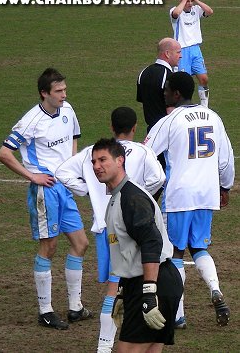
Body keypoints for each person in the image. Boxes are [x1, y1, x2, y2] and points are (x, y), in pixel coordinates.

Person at [55, 106, 166, 352]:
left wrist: (86, 191)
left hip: (105, 229)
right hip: (128, 230)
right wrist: (143, 193)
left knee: (114, 290)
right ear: (135, 128)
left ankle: (104, 346)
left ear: (112, 128)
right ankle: (107, 347)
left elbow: (62, 172)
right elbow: (159, 178)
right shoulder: (143, 151)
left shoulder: (91, 154)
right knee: (120, 291)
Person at [0, 68, 92, 330]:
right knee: (48, 248)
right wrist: (32, 176)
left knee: (81, 243)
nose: (64, 94)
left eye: (64, 90)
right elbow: (4, 153)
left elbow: (73, 138)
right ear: (44, 93)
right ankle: (45, 311)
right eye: (58, 91)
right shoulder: (30, 121)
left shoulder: (68, 110)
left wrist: (72, 169)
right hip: (45, 190)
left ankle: (75, 307)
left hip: (64, 187)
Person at [144, 71, 235, 329]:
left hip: (179, 196)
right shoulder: (213, 117)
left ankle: (177, 315)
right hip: (206, 194)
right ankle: (215, 290)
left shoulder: (170, 120)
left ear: (176, 93)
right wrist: (225, 187)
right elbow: (226, 158)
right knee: (199, 248)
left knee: (174, 253)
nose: (163, 93)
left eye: (167, 90)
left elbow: (146, 153)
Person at [91, 138, 183, 353]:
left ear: (120, 160)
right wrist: (124, 291)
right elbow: (128, 251)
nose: (97, 166)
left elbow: (151, 242)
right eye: (94, 161)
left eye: (103, 160)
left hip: (154, 283)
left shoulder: (131, 199)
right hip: (147, 282)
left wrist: (149, 295)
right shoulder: (117, 197)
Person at [170, 0, 213, 108]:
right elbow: (175, 14)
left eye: (191, 1)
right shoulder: (175, 11)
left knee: (204, 79)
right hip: (182, 51)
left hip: (195, 50)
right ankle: (181, 107)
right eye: (187, 1)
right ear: (181, 0)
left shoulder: (196, 10)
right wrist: (184, 0)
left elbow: (209, 11)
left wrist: (197, 0)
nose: (189, 3)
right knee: (183, 82)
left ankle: (204, 107)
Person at [137, 37, 182, 134]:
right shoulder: (170, 77)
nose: (181, 56)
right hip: (167, 132)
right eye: (178, 52)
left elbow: (144, 101)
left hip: (150, 132)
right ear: (167, 54)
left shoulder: (143, 73)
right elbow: (171, 110)